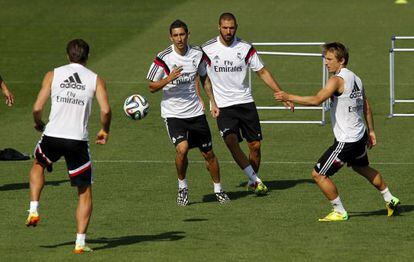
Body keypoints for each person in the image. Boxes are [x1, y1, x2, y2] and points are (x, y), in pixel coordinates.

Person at [275, 42, 400, 221]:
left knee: (318, 174)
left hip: (347, 140)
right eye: (325, 58)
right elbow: (366, 106)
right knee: (360, 166)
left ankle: (339, 211)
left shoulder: (336, 80)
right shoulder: (356, 78)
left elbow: (317, 100)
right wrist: (371, 131)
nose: (326, 63)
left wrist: (288, 97)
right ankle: (390, 198)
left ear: (341, 61)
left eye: (329, 59)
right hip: (360, 135)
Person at [25, 39, 112, 253]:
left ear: (67, 56)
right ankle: (80, 243)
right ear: (87, 57)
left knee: (38, 164)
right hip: (77, 140)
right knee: (84, 191)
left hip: (52, 135)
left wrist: (38, 122)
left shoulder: (53, 74)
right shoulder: (95, 80)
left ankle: (34, 208)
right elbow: (106, 111)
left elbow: (37, 107)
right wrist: (104, 130)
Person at [200, 12, 293, 195]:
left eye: (232, 28)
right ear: (219, 27)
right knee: (231, 140)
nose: (228, 31)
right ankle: (256, 180)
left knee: (255, 147)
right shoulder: (207, 49)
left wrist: (281, 94)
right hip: (224, 105)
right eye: (225, 28)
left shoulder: (245, 47)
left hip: (245, 102)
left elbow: (263, 72)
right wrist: (211, 101)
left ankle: (252, 180)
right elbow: (202, 77)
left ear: (236, 27)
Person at [147, 20, 230, 206]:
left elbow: (204, 79)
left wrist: (212, 102)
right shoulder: (163, 57)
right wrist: (169, 78)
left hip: (195, 113)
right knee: (182, 149)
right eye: (175, 35)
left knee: (208, 154)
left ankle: (218, 190)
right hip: (173, 114)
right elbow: (152, 86)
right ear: (170, 37)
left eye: (182, 34)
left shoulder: (197, 54)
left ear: (188, 35)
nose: (179, 39)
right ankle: (182, 187)